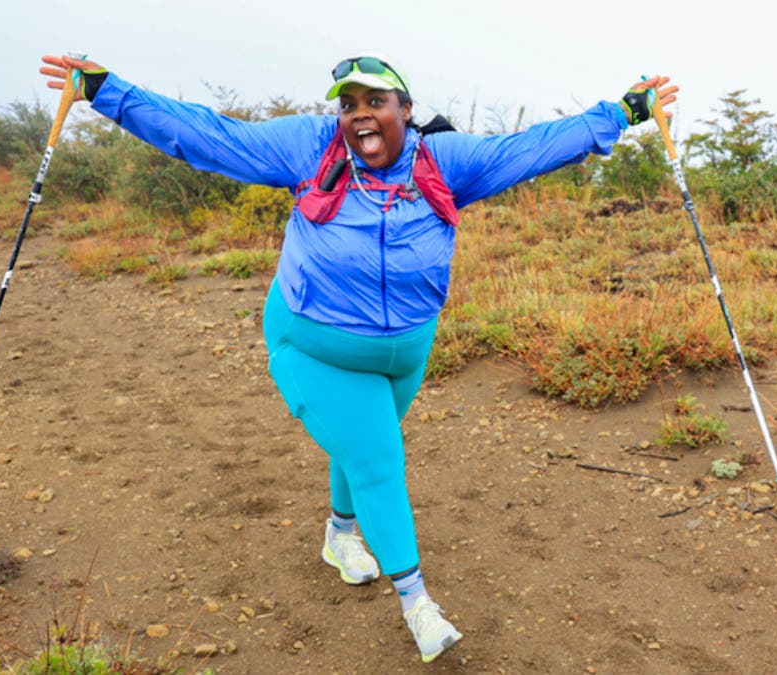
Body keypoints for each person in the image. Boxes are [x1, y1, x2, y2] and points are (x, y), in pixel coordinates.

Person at [40, 51, 676, 664]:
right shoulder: (311, 148)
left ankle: (340, 537)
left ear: (406, 109)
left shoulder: (446, 160)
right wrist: (106, 91)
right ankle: (419, 605)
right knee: (377, 459)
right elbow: (205, 136)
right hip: (314, 343)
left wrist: (625, 111)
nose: (360, 115)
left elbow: (537, 147)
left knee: (363, 443)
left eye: (376, 101)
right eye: (349, 104)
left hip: (406, 350)